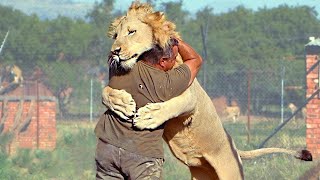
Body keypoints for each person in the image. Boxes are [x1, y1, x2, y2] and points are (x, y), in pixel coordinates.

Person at [94, 38, 202, 180]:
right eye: (174, 59)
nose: (175, 62)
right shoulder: (167, 83)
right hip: (142, 156)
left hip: (107, 149)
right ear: (163, 61)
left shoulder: (118, 68)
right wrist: (176, 41)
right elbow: (195, 60)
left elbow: (117, 46)